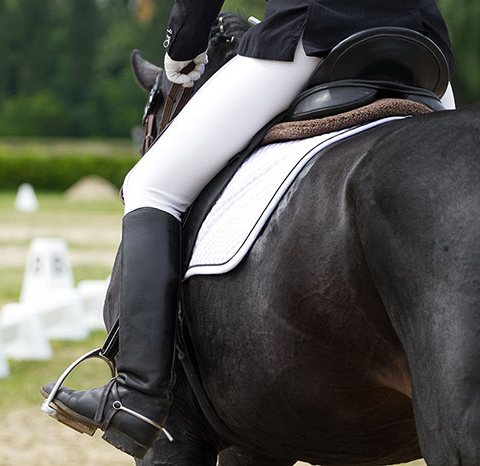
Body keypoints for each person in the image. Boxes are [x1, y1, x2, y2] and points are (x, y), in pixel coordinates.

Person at [42, 0, 455, 458]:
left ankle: (136, 396)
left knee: (150, 185)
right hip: (424, 48)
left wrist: (183, 49)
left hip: (310, 34)